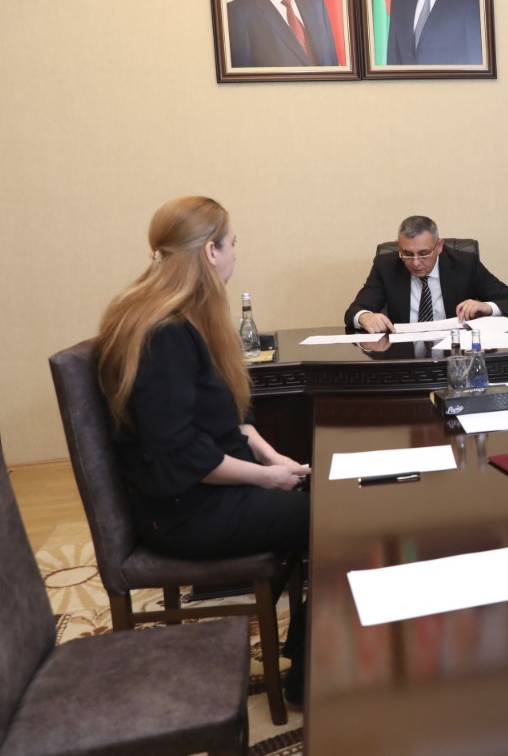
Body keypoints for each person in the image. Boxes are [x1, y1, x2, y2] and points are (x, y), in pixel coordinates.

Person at [95, 196, 311, 706]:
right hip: (184, 513)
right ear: (211, 251)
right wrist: (266, 478)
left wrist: (272, 456)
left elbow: (224, 421)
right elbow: (181, 453)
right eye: (232, 243)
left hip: (198, 494)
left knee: (324, 495)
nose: (236, 253)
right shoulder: (165, 333)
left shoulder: (177, 318)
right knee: (334, 520)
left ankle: (307, 653)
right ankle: (309, 672)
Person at [345, 215, 508, 333]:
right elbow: (354, 310)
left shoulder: (465, 264)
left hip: (455, 354)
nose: (416, 262)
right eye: (407, 254)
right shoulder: (386, 266)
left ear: (439, 246)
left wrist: (487, 307)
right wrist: (364, 317)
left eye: (424, 253)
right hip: (404, 357)